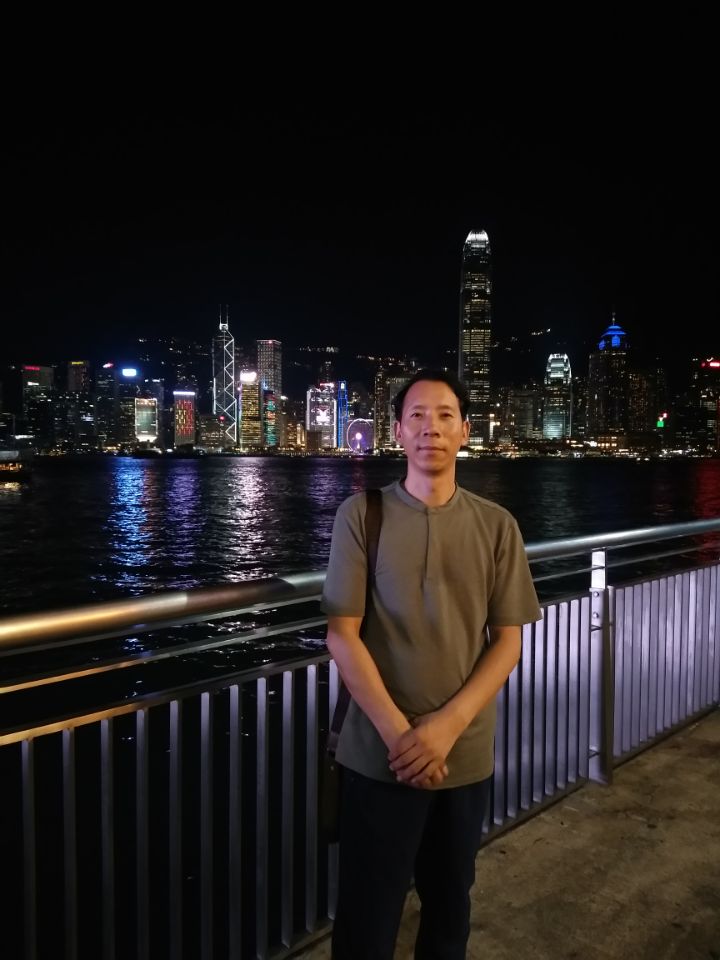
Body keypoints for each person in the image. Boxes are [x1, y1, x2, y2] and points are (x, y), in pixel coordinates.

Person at [321, 369, 542, 960]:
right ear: (397, 431)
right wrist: (401, 737)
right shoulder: (361, 514)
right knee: (366, 921)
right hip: (377, 756)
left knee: (448, 913)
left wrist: (444, 729)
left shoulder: (497, 526)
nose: (431, 428)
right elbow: (342, 635)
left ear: (466, 431)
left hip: (461, 758)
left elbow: (507, 642)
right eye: (416, 416)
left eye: (446, 415)